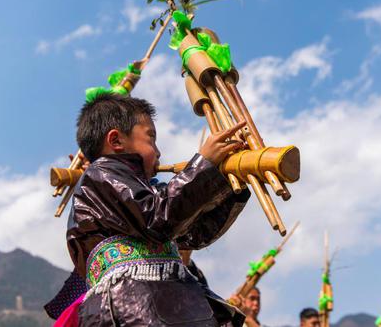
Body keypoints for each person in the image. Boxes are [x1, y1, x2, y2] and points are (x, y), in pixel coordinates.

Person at [67, 94, 251, 326]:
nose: (158, 151)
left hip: (161, 305)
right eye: (151, 138)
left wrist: (232, 186)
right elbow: (159, 217)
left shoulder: (148, 192)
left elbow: (195, 233)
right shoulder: (101, 174)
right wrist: (203, 164)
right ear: (116, 141)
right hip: (131, 308)